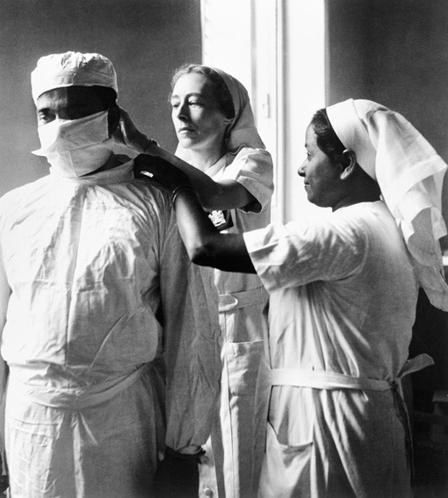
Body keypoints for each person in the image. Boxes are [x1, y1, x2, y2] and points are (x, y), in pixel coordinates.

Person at [134, 98, 448, 497]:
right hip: (366, 417)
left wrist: (177, 184)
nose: (301, 167)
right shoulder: (382, 224)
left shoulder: (344, 234)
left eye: (310, 153)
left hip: (327, 424)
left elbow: (206, 247)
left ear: (348, 162)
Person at [0, 51, 221, 498]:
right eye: (46, 112)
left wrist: (183, 448)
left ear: (111, 116)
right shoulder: (15, 211)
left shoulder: (156, 205)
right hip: (33, 422)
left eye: (75, 111)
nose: (59, 126)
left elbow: (192, 331)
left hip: (123, 420)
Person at [115, 63, 274, 498]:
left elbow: (214, 194)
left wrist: (144, 148)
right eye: (174, 104)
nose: (181, 114)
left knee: (235, 459)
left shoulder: (251, 163)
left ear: (229, 115)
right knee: (182, 455)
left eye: (196, 102)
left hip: (236, 329)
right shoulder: (168, 170)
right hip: (181, 329)